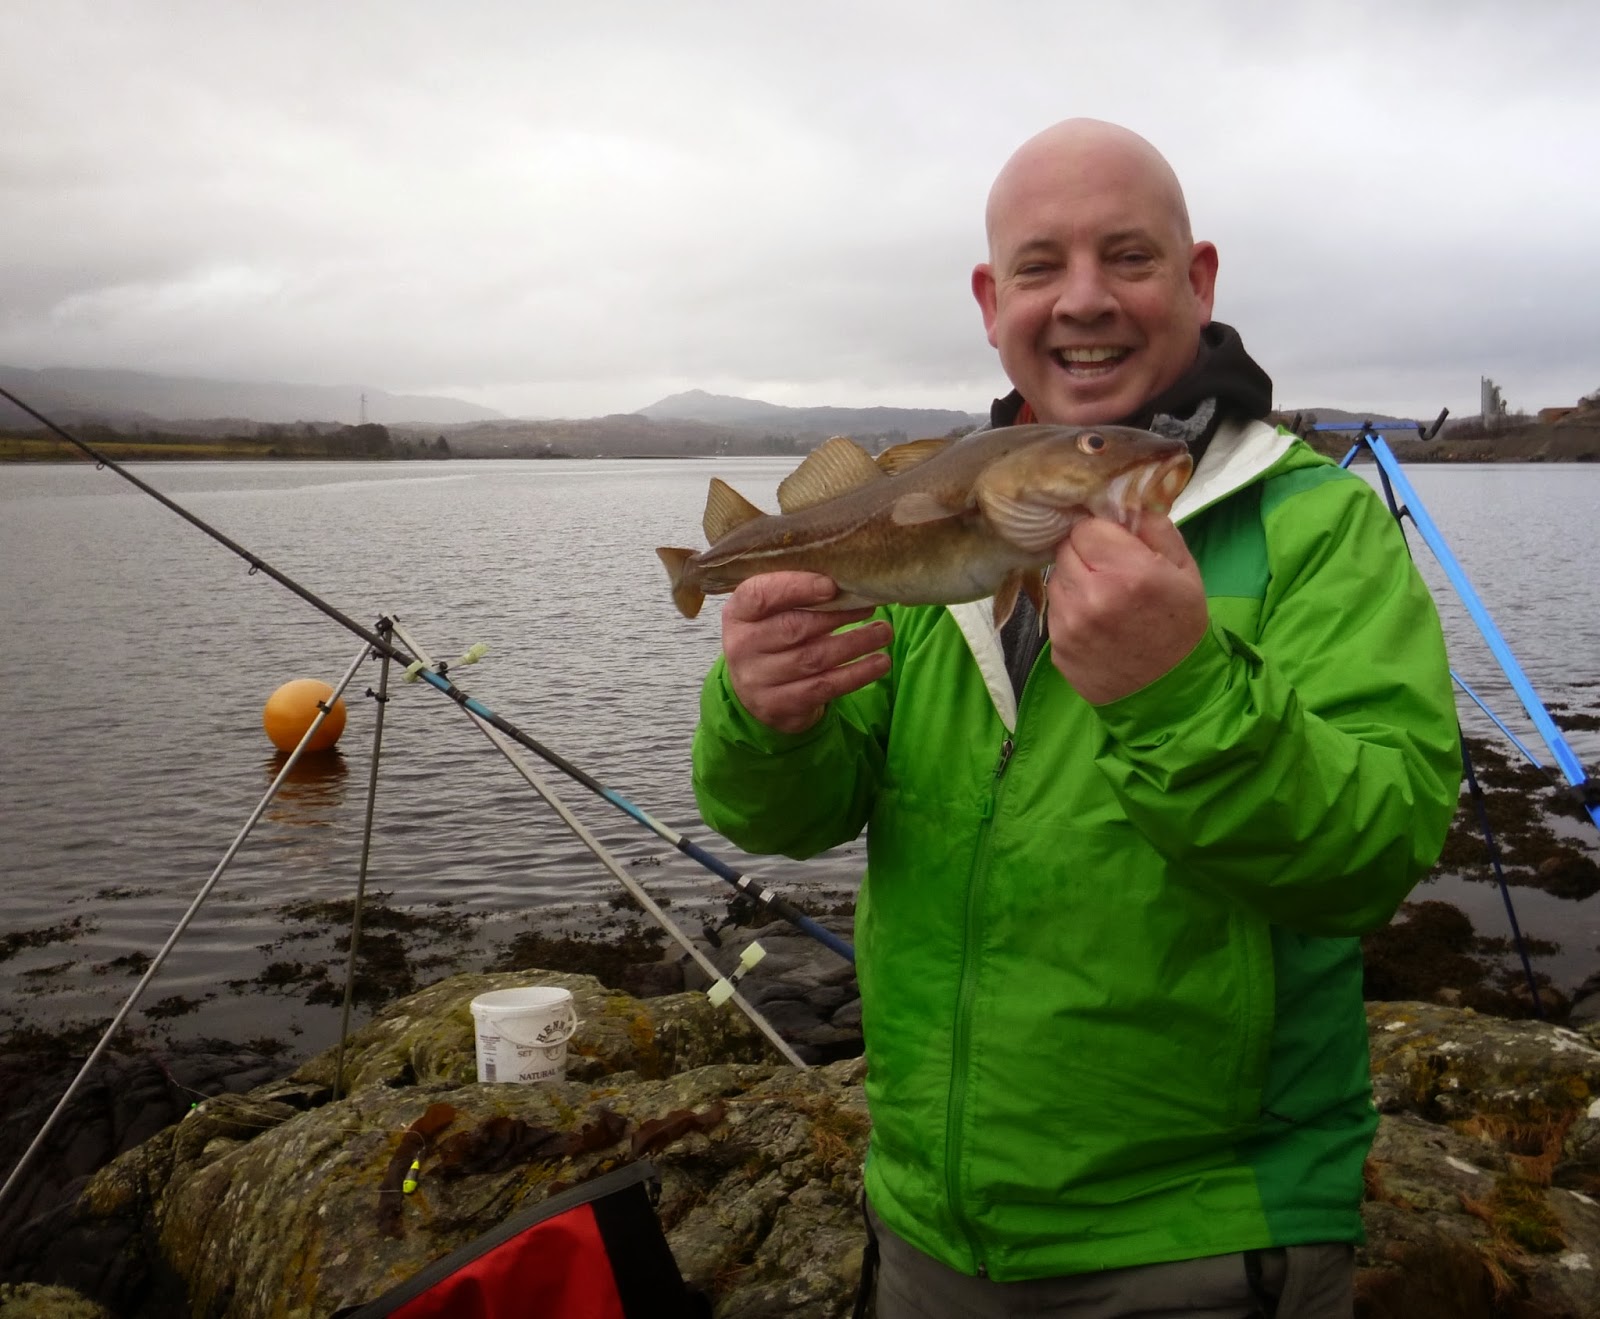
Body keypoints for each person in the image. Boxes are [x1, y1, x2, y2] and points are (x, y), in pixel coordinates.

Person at [689, 119, 1461, 1318]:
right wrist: (762, 719)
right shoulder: (930, 530)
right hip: (926, 1226)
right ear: (992, 300)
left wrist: (1181, 689)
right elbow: (788, 816)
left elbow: (1374, 855)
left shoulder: (1319, 528)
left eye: (1130, 258)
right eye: (1041, 267)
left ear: (1198, 282)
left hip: (1206, 1243)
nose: (1083, 301)